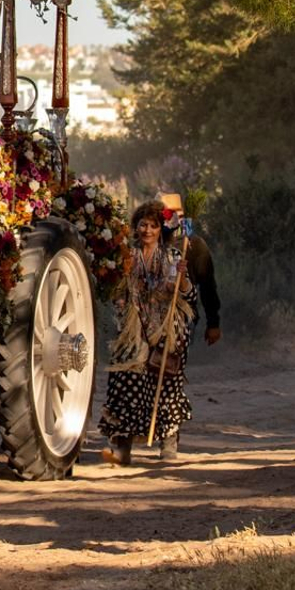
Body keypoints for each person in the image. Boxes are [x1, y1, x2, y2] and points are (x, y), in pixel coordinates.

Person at [100, 200, 199, 466]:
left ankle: (168, 439)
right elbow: (117, 292)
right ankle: (122, 445)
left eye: (153, 225)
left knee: (165, 383)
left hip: (166, 327)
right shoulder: (127, 257)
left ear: (161, 229)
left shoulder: (173, 258)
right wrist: (123, 307)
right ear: (136, 227)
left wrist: (183, 278)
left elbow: (189, 295)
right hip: (132, 328)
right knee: (125, 380)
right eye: (143, 224)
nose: (147, 230)